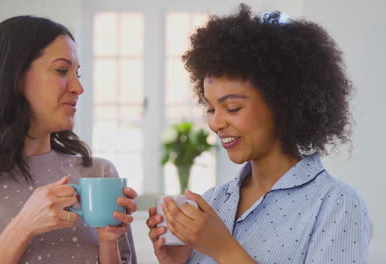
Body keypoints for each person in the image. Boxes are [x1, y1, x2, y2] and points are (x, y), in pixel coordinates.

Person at [146, 4, 370, 264]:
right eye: (210, 108)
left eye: (232, 108)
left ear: (281, 103)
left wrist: (223, 249)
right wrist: (176, 262)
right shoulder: (213, 201)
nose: (216, 123)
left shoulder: (337, 205)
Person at [0, 16, 137, 264]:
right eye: (61, 70)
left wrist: (108, 241)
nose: (78, 87)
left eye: (77, 73)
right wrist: (22, 227)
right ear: (14, 77)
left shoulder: (99, 174)